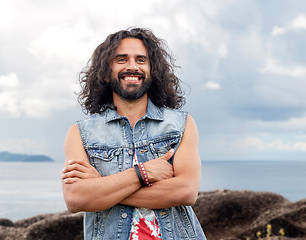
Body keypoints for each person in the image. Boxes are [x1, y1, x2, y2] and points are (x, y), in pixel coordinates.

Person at [61, 27, 206, 240]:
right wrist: (143, 173)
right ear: (106, 73)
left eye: (141, 60)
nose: (132, 66)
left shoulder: (180, 125)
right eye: (121, 59)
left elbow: (185, 191)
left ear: (152, 70)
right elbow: (76, 198)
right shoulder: (80, 133)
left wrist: (103, 186)